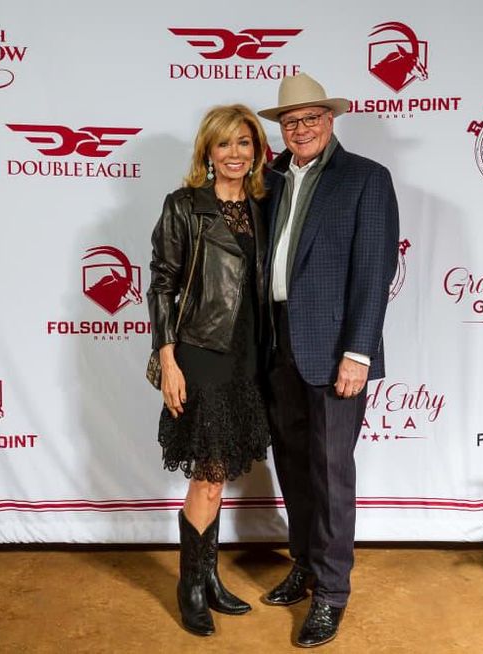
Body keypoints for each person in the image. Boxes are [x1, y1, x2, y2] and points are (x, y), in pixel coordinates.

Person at [257, 73, 399, 647]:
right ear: (282, 129)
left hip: (337, 348)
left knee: (332, 471)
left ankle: (333, 593)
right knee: (293, 463)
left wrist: (358, 353)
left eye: (311, 118)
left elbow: (373, 273)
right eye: (291, 122)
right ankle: (307, 565)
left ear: (331, 120)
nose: (302, 128)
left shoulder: (365, 178)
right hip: (278, 343)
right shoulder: (267, 181)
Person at [147, 104, 271, 637]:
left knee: (218, 478)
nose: (235, 154)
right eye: (225, 144)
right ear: (207, 151)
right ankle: (191, 587)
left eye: (245, 143)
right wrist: (167, 356)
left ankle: (210, 578)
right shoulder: (184, 206)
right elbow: (161, 284)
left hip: (248, 355)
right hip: (202, 351)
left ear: (257, 151)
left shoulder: (266, 205)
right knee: (210, 474)